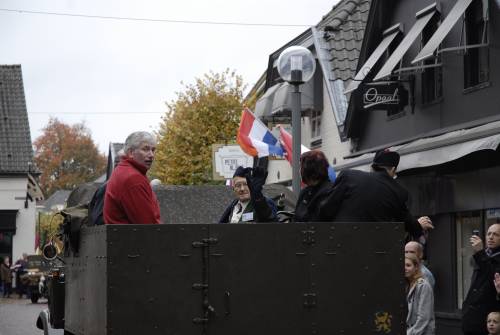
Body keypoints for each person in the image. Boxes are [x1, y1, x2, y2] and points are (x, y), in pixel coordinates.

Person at [319, 149, 433, 238]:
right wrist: (418, 225)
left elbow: (325, 209)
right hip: (372, 251)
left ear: (372, 167)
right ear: (393, 170)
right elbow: (409, 223)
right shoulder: (398, 192)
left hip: (338, 243)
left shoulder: (348, 176)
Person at [104, 131, 161, 224]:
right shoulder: (133, 179)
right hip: (132, 237)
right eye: (145, 149)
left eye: (153, 150)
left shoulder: (122, 170)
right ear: (131, 152)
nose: (151, 155)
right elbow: (149, 226)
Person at [463, 223, 500, 335]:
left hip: (489, 321)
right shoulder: (482, 256)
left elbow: (491, 276)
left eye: (496, 234)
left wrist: (480, 252)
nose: (491, 237)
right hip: (470, 318)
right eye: (489, 234)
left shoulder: (483, 256)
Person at [294, 150, 335, 222]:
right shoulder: (305, 192)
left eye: (301, 166)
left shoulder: (329, 191)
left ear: (308, 169)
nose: (299, 170)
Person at [405, 253, 435, 335]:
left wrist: (410, 333)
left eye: (408, 265)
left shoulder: (423, 285)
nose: (405, 268)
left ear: (416, 267)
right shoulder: (406, 284)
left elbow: (424, 317)